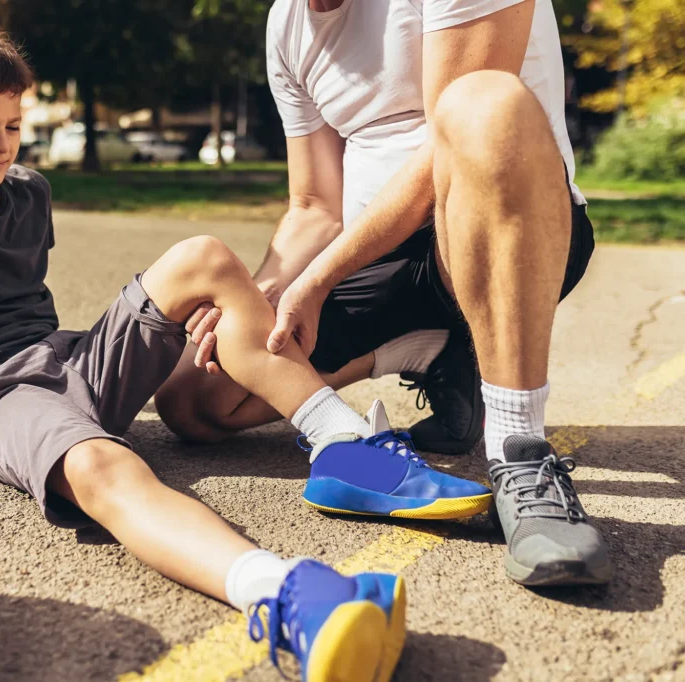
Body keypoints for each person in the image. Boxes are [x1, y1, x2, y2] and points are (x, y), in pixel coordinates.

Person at [0, 25, 488, 681]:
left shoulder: (31, 191)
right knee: (101, 464)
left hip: (69, 358)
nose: (1, 145)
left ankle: (337, 441)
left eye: (12, 126)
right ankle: (282, 594)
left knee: (205, 258)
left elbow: (30, 304)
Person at [157, 0, 611, 587]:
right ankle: (427, 349)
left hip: (498, 230)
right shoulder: (286, 23)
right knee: (197, 398)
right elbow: (315, 206)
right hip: (375, 258)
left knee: (483, 104)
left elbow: (453, 149)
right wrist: (267, 288)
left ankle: (520, 454)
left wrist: (319, 278)